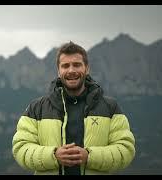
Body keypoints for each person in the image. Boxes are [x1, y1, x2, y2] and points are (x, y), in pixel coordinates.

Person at [12, 41, 135, 175]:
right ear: (59, 71)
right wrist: (53, 155)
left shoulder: (110, 107)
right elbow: (20, 148)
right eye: (65, 66)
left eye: (77, 65)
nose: (71, 70)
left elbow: (126, 150)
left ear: (87, 68)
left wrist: (89, 156)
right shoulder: (36, 108)